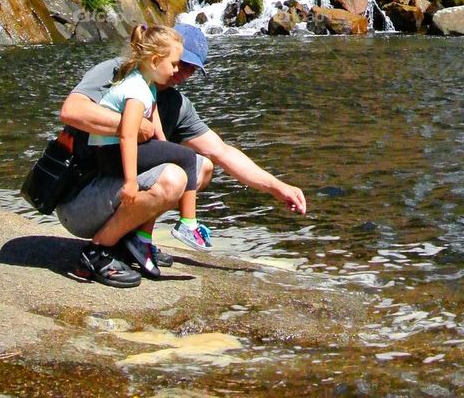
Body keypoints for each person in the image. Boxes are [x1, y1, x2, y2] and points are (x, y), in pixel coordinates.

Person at [57, 22, 307, 288]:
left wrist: (277, 187)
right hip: (80, 199)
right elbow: (71, 111)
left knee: (202, 167)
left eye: (192, 69)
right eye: (182, 63)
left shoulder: (175, 104)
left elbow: (221, 151)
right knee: (174, 176)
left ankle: (137, 240)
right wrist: (131, 125)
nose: (184, 73)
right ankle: (98, 252)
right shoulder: (120, 72)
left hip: (116, 192)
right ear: (159, 55)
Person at [87, 24, 211, 280]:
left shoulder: (148, 85)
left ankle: (140, 239)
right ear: (155, 60)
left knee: (181, 156)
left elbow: (157, 132)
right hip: (108, 154)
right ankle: (188, 224)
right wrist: (132, 182)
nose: (178, 71)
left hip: (114, 151)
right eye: (175, 64)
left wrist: (169, 151)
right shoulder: (136, 90)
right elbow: (127, 134)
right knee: (188, 157)